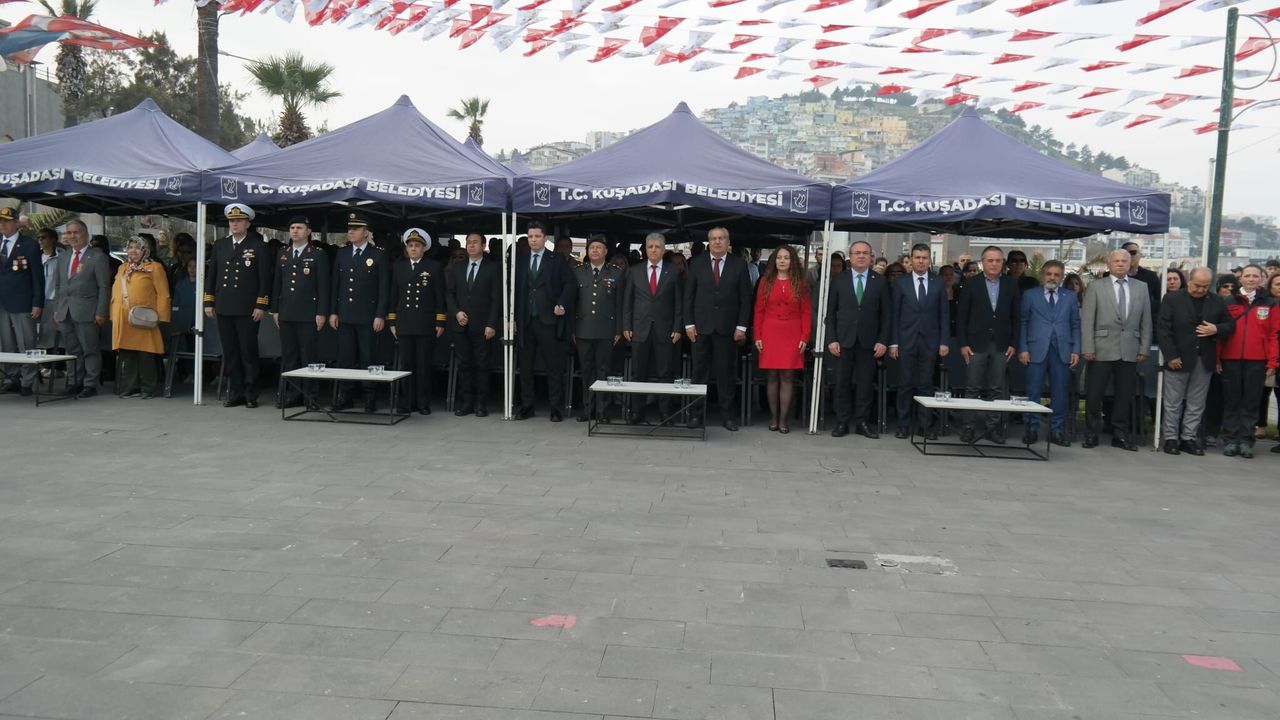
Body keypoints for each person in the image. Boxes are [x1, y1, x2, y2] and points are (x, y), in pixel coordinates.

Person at [1156, 267, 1233, 456]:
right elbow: (1163, 329)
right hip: (1178, 357)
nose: (1200, 289)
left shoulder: (1217, 301)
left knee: (1197, 402)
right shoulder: (1172, 299)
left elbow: (1230, 325)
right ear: (1189, 281)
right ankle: (1171, 438)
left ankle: (1188, 438)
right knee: (1173, 401)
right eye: (1197, 285)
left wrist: (1216, 329)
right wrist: (1171, 355)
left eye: (1205, 286)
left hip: (1204, 358)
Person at [1081, 249, 1152, 451]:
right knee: (1094, 394)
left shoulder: (1141, 287)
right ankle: (1091, 433)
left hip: (1129, 348)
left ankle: (1120, 434)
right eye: (1116, 261)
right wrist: (1088, 347)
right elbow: (1087, 320)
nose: (1120, 264)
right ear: (1108, 264)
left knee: (1124, 395)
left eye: (1124, 261)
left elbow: (1146, 320)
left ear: (1130, 264)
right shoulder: (1096, 286)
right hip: (1101, 348)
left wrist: (1144, 347)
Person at [685, 226, 753, 431]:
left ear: (728, 241)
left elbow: (745, 299)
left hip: (728, 328)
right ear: (709, 242)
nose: (717, 241)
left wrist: (742, 326)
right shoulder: (696, 264)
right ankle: (696, 415)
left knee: (726, 374)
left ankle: (728, 416)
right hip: (700, 328)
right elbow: (689, 296)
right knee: (699, 374)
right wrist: (689, 324)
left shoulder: (739, 265)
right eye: (713, 238)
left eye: (721, 238)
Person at [203, 204, 270, 408]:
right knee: (230, 352)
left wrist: (261, 304)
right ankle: (235, 391)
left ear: (247, 224)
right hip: (224, 305)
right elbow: (212, 275)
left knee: (247, 351)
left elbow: (264, 278)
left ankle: (251, 393)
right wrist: (209, 301)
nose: (234, 224)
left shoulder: (257, 246)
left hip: (247, 307)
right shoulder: (220, 245)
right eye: (232, 221)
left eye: (239, 221)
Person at [956, 246, 1020, 444]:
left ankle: (992, 428)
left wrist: (1014, 343)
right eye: (990, 260)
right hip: (975, 343)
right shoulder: (971, 284)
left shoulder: (1011, 284)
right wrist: (962, 344)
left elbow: (1017, 317)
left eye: (998, 261)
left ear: (1003, 263)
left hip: (1002, 344)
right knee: (972, 387)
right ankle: (968, 427)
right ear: (982, 262)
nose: (994, 264)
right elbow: (961, 317)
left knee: (997, 388)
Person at [827, 241, 890, 439]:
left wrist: (883, 340)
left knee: (865, 384)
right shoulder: (839, 280)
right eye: (857, 253)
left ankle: (862, 422)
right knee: (842, 383)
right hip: (843, 340)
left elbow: (886, 315)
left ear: (871, 257)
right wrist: (831, 339)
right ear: (850, 256)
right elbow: (830, 313)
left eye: (865, 253)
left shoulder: (880, 281)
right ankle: (842, 422)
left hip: (869, 342)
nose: (861, 256)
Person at [328, 212, 390, 413]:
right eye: (349, 229)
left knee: (368, 357)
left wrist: (380, 314)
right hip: (345, 314)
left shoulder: (378, 255)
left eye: (355, 229)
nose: (351, 232)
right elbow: (335, 285)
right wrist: (333, 312)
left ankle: (369, 396)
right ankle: (346, 395)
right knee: (345, 357)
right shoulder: (343, 253)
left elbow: (383, 288)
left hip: (367, 316)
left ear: (366, 232)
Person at [890, 243, 950, 439]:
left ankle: (925, 425)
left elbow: (944, 314)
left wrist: (944, 342)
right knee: (905, 384)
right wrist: (894, 342)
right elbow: (894, 314)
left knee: (925, 384)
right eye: (917, 257)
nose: (921, 261)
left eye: (924, 258)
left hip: (930, 342)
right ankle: (903, 425)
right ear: (911, 260)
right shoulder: (901, 282)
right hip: (906, 341)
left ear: (930, 260)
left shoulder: (938, 282)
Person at [515, 220, 574, 422]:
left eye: (537, 236)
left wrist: (562, 303)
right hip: (526, 320)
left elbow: (569, 284)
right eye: (530, 236)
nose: (533, 240)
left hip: (548, 320)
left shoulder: (556, 259)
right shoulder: (521, 259)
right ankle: (527, 405)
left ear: (545, 238)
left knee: (553, 366)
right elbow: (514, 289)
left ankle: (556, 407)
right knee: (525, 366)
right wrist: (512, 317)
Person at [1217, 264, 1278, 459]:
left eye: (1255, 276)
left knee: (1251, 402)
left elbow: (1274, 335)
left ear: (1262, 279)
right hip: (1230, 358)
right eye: (1247, 275)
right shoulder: (1228, 301)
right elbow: (1220, 333)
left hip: (1257, 360)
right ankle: (1230, 440)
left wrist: (1272, 362)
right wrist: (1217, 358)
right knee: (1232, 401)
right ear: (1240, 278)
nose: (1251, 279)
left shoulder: (1270, 303)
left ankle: (1246, 441)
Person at [622, 233, 683, 424]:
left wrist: (678, 327)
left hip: (665, 329)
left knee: (665, 372)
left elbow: (678, 303)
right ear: (646, 249)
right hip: (639, 328)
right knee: (638, 372)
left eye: (657, 247)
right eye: (650, 247)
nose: (654, 250)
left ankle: (665, 412)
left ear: (664, 250)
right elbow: (628, 301)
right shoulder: (635, 270)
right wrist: (626, 325)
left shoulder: (673, 271)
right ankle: (637, 412)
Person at [269, 216, 329, 409]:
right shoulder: (283, 253)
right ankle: (293, 394)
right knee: (289, 356)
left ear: (308, 231)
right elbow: (277, 283)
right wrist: (275, 310)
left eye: (300, 227)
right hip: (286, 313)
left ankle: (311, 396)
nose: (295, 231)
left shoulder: (318, 254)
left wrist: (322, 312)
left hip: (308, 314)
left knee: (309, 356)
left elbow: (323, 287)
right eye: (292, 227)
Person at [1018, 260, 1080, 446]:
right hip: (1035, 349)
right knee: (1033, 391)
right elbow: (1023, 322)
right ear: (1042, 275)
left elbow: (1075, 325)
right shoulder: (1030, 295)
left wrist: (1076, 349)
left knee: (1060, 392)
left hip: (1062, 349)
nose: (1052, 278)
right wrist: (1023, 348)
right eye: (1049, 274)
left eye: (1056, 275)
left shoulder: (1070, 297)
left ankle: (1056, 430)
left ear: (1061, 277)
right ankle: (1031, 428)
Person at [752, 245, 811, 433]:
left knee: (787, 375)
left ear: (792, 261)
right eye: (779, 257)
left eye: (786, 257)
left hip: (792, 331)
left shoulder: (800, 282)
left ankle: (784, 419)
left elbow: (806, 311)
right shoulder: (765, 281)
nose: (782, 261)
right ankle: (773, 417)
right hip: (770, 330)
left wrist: (805, 336)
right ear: (774, 261)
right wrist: (757, 335)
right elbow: (759, 310)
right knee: (771, 375)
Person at [388, 228, 446, 416]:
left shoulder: (434, 267)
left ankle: (423, 402)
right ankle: (406, 402)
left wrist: (440, 321)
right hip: (404, 321)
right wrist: (392, 321)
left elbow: (440, 296)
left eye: (417, 246)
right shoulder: (399, 267)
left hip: (425, 322)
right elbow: (393, 295)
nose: (413, 248)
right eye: (410, 245)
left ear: (424, 248)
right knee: (406, 365)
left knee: (423, 365)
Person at [51, 219, 110, 399]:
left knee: (90, 349)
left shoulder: (97, 256)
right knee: (72, 350)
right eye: (69, 233)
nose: (72, 236)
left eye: (76, 232)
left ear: (86, 234)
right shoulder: (63, 256)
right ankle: (74, 382)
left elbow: (104, 287)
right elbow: (59, 285)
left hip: (87, 311)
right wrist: (57, 309)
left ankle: (90, 384)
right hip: (65, 311)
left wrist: (101, 312)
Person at [448, 232, 501, 418]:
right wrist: (456, 312)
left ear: (483, 246)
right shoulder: (457, 267)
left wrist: (492, 323)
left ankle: (481, 403)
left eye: (475, 242)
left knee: (482, 365)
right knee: (464, 364)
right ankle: (467, 402)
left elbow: (497, 299)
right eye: (468, 242)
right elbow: (450, 294)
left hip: (483, 325)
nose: (471, 245)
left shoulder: (493, 268)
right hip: (461, 324)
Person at [110, 237, 171, 399]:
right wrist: (114, 314)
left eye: (137, 248)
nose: (133, 251)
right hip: (124, 317)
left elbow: (163, 293)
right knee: (127, 353)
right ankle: (131, 387)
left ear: (145, 250)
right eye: (130, 247)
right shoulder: (123, 267)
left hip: (144, 318)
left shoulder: (154, 267)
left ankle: (148, 388)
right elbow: (115, 292)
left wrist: (160, 316)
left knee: (146, 353)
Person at [572, 235, 624, 423]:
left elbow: (620, 304)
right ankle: (588, 409)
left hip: (606, 329)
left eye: (599, 247)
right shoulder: (578, 272)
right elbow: (573, 303)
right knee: (586, 370)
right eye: (592, 247)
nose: (595, 250)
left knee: (604, 370)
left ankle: (602, 411)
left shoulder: (616, 273)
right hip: (583, 328)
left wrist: (618, 330)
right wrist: (573, 329)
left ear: (606, 251)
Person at [0, 206, 45, 395]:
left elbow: (37, 277)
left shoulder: (29, 245)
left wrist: (37, 303)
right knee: (6, 343)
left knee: (26, 342)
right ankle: (11, 378)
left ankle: (27, 381)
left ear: (17, 223)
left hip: (23, 302)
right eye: (0, 221)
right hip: (2, 303)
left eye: (7, 221)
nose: (3, 224)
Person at [1121, 241, 1162, 318]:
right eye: (1126, 253)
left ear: (1140, 255)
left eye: (1133, 253)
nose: (1130, 256)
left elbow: (1158, 300)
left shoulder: (1151, 276)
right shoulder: (1112, 276)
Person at [36, 228, 59, 350]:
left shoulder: (60, 257)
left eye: (43, 237)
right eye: (38, 238)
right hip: (36, 300)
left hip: (52, 299)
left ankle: (51, 360)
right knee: (36, 333)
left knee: (50, 335)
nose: (40, 240)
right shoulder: (35, 256)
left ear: (53, 239)